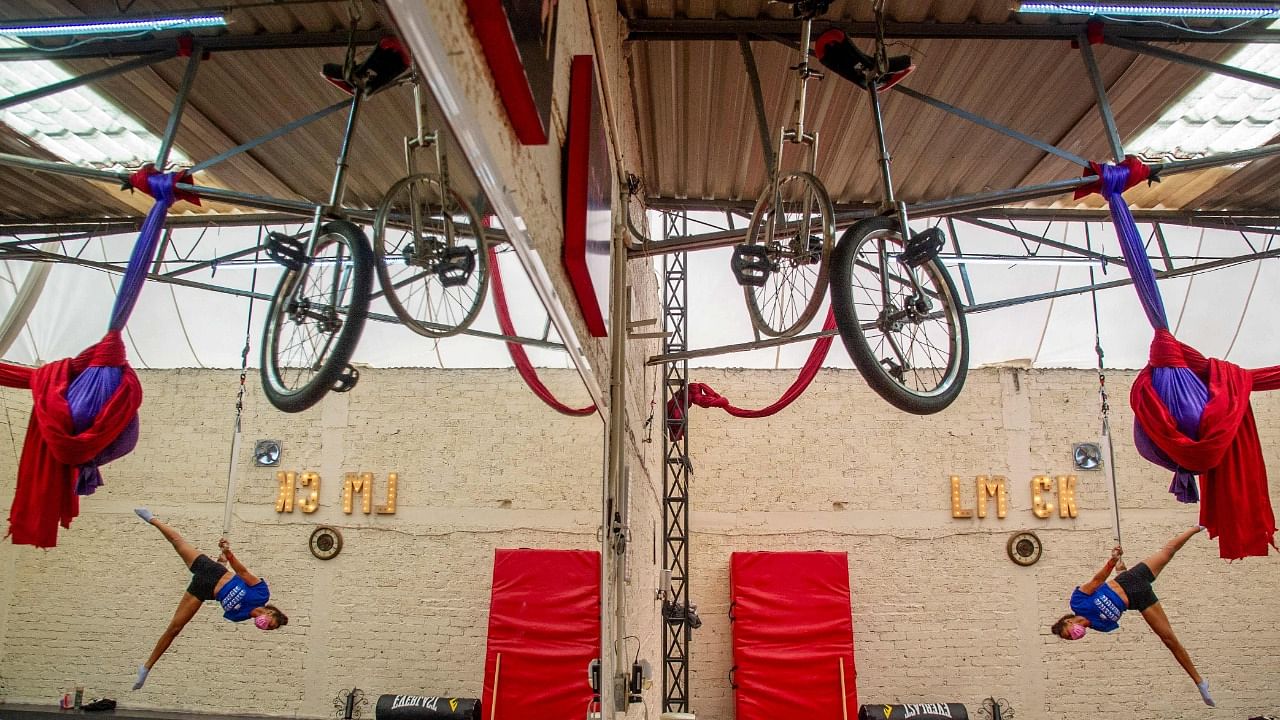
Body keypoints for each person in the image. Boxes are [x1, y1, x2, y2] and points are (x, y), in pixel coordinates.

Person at [1051, 525, 1214, 707]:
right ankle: (1200, 682)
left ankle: (1198, 526)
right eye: (1071, 639)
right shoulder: (1100, 626)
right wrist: (1121, 569)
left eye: (1069, 633)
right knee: (1169, 639)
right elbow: (1122, 606)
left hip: (1131, 580)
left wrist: (1112, 562)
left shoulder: (1078, 602)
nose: (1074, 636)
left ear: (1067, 620)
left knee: (1168, 552)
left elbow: (1097, 581)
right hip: (1140, 601)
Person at [131, 508, 287, 690]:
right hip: (211, 570)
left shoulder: (240, 617)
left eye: (269, 629)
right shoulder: (261, 593)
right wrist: (228, 554)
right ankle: (152, 518)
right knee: (177, 541)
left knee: (175, 628)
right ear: (270, 612)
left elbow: (220, 596)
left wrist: (222, 560)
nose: (266, 628)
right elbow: (242, 572)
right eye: (271, 624)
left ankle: (146, 668)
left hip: (202, 591)